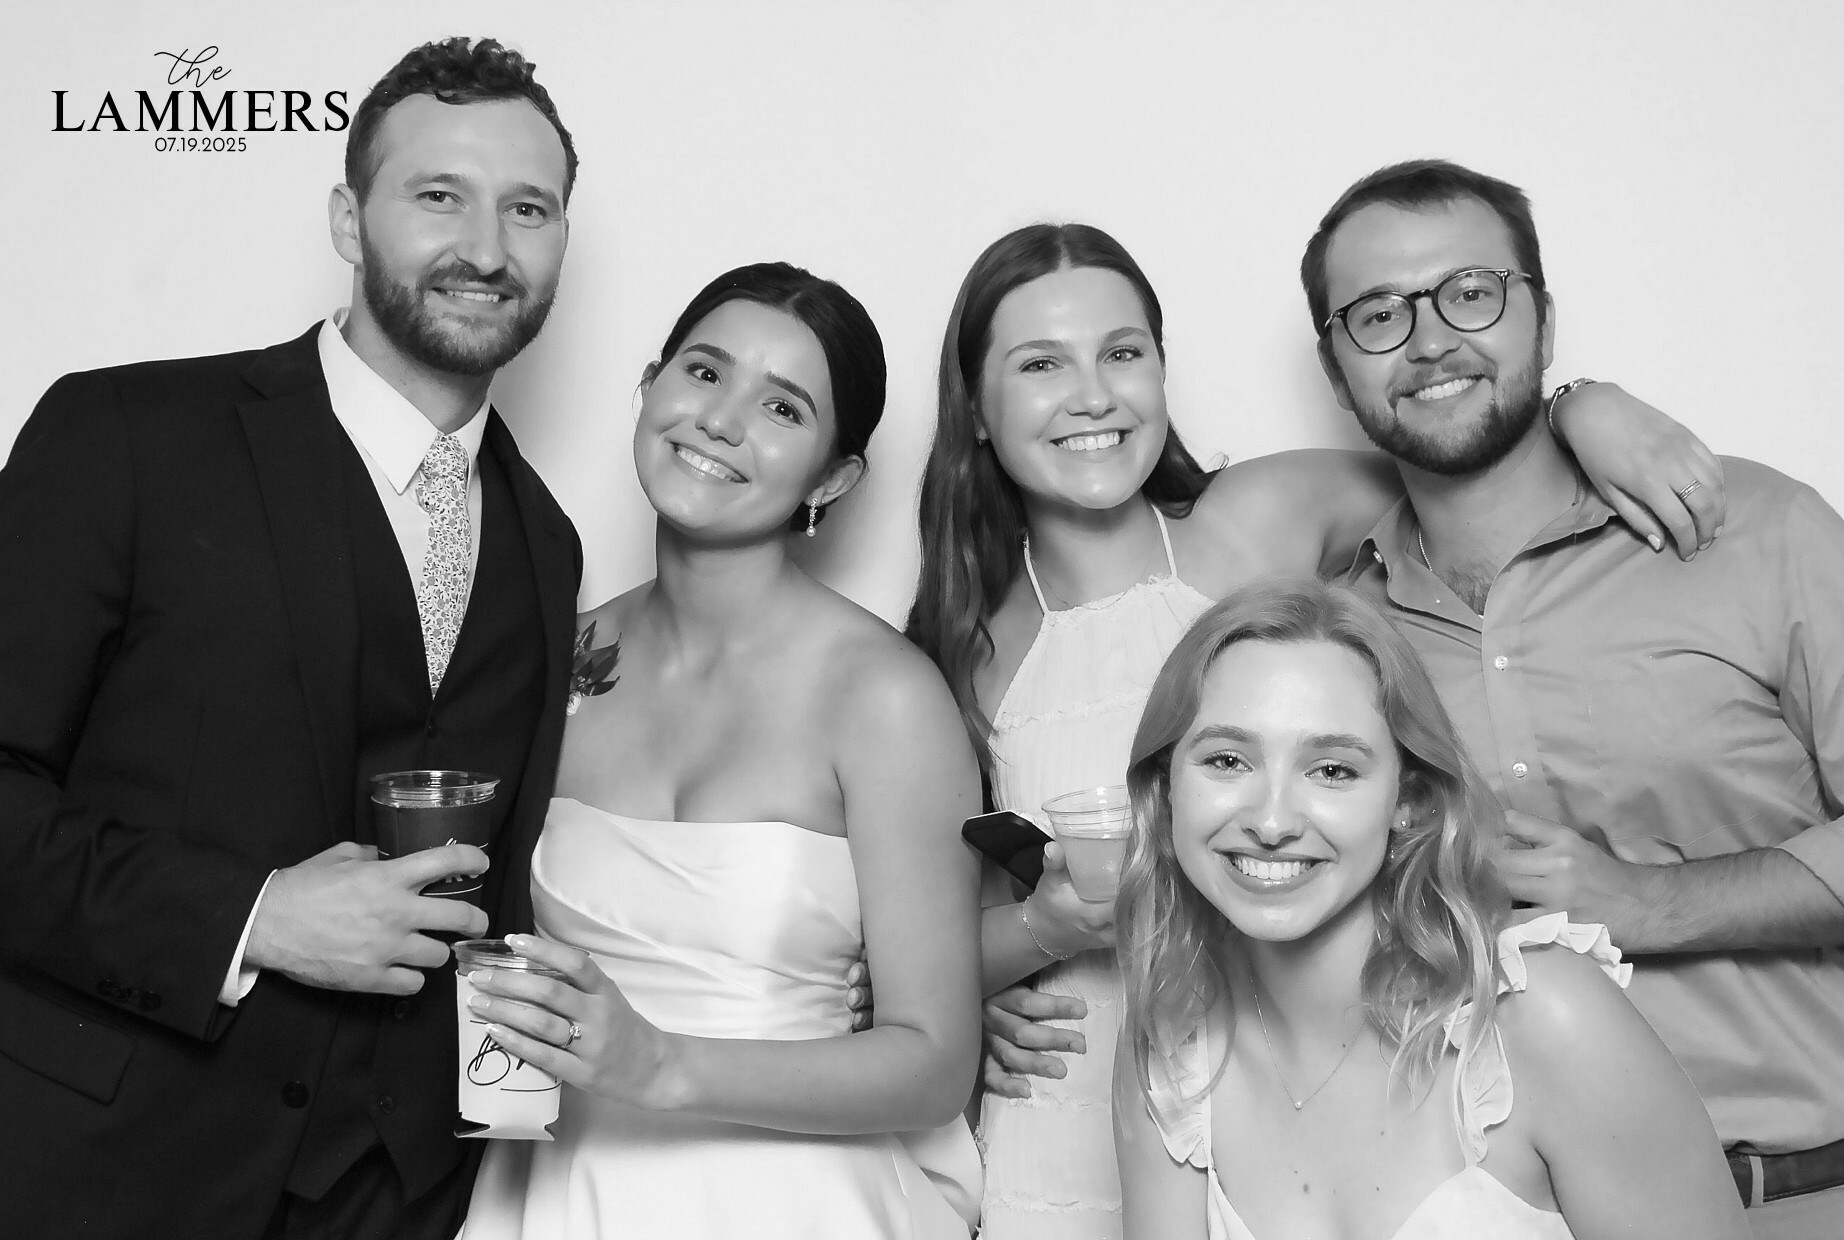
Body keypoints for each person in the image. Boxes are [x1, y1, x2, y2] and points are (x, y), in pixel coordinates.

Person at [904, 221, 1725, 1238]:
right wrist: (1013, 964)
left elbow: (1459, 450)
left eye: (1121, 352)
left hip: (1323, 1066)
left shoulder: (1259, 515)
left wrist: (1579, 409)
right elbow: (920, 952)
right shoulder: (960, 648)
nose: (1091, 395)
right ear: (976, 409)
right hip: (1083, 1089)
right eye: (1039, 365)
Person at [0, 38, 581, 1240]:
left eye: (527, 208)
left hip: (398, 1197)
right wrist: (253, 916)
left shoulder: (546, 539)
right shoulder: (125, 433)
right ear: (346, 220)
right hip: (103, 1177)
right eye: (439, 195)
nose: (486, 248)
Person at [1312, 159, 1844, 1236]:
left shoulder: (1756, 529)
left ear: (1543, 322)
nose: (1428, 340)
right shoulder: (1338, 634)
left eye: (1470, 293)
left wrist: (1650, 902)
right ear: (1336, 372)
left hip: (1796, 1195)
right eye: (1377, 314)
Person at [457, 262, 984, 1239]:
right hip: (558, 1189)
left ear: (832, 478)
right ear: (648, 387)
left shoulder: (884, 698)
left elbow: (935, 1062)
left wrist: (662, 1064)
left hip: (794, 1206)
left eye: (782, 407)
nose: (721, 420)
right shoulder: (555, 657)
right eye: (704, 372)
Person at [1111, 578, 1748, 1240]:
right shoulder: (1169, 1049)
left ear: (1408, 802)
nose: (1272, 822)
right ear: (1166, 789)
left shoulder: (1543, 1018)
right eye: (1226, 760)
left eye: (1332, 770)